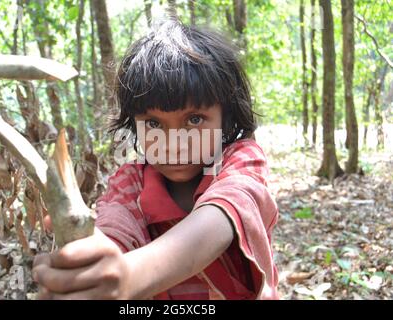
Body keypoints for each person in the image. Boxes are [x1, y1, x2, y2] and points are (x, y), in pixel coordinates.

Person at [32, 20, 279, 300]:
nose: (174, 145)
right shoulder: (130, 183)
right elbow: (115, 227)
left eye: (194, 119)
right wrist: (87, 261)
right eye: (153, 123)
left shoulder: (241, 160)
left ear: (226, 118)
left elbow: (224, 212)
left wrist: (129, 276)